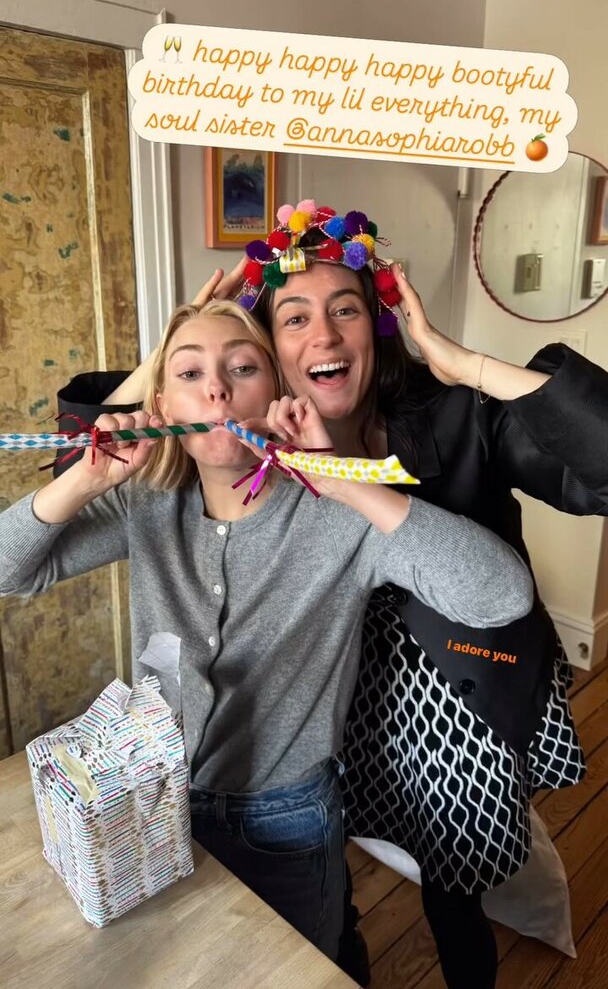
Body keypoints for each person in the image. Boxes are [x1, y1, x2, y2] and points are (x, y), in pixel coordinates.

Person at [51, 199, 608, 989]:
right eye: (294, 318)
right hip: (323, 706)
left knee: (454, 890)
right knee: (327, 876)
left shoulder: (455, 415)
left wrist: (470, 368)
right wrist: (161, 365)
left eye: (345, 309)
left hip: (452, 697)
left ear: (376, 327)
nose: (324, 335)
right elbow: (85, 469)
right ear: (269, 354)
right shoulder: (247, 449)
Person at [0, 300, 534, 975]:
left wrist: (344, 480)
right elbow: (8, 571)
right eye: (190, 373)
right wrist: (86, 477)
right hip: (154, 799)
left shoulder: (337, 511)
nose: (217, 390)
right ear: (162, 408)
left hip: (289, 821)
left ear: (280, 394)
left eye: (242, 368)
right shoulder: (144, 505)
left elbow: (502, 596)